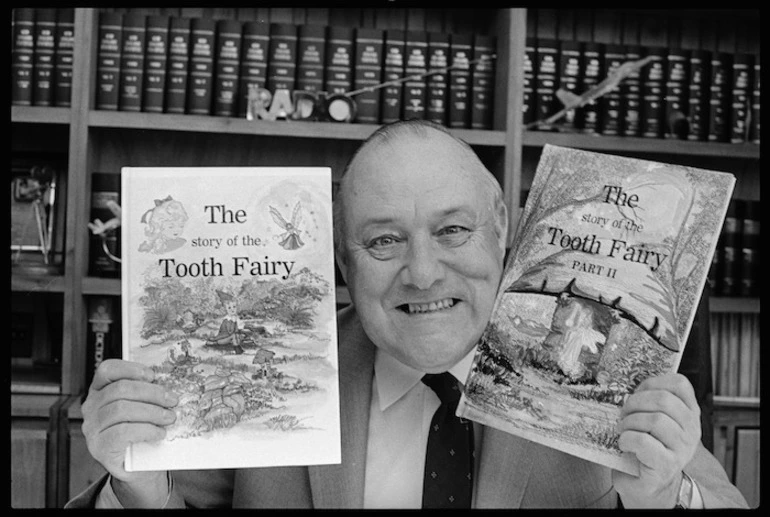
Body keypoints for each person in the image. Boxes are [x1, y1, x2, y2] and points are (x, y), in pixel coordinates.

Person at [67, 120, 747, 509]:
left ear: (501, 228)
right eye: (384, 239)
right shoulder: (271, 377)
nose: (422, 272)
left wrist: (664, 497)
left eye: (451, 230)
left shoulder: (600, 365)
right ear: (343, 261)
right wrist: (136, 489)